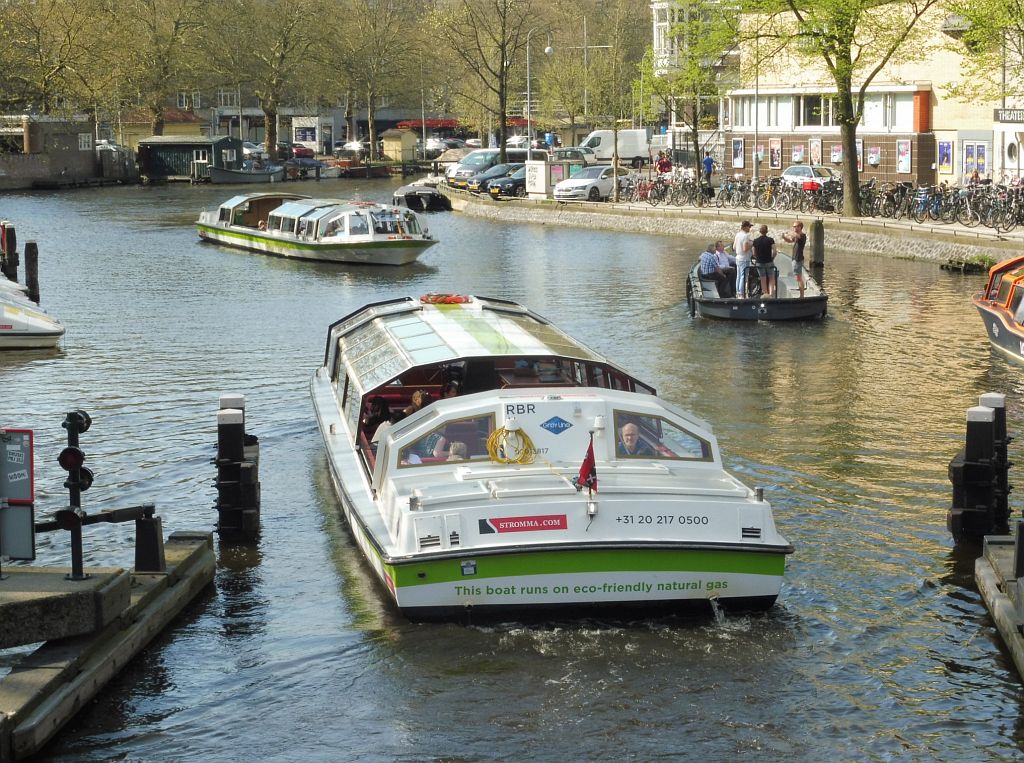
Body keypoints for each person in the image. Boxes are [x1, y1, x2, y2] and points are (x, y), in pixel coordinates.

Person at [782, 220, 807, 298]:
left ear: (800, 227)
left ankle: (802, 295)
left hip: (798, 259)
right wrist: (784, 237)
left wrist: (788, 232)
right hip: (795, 258)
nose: (794, 228)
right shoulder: (796, 236)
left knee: (798, 278)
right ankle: (801, 294)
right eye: (793, 226)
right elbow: (790, 240)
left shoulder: (802, 236)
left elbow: (796, 235)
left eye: (795, 226)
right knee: (798, 277)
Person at [752, 224, 778, 297]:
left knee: (763, 279)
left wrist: (758, 258)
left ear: (760, 231)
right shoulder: (770, 240)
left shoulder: (755, 241)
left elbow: (753, 253)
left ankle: (765, 295)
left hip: (759, 263)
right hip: (769, 262)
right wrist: (772, 258)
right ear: (767, 231)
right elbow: (775, 251)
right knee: (771, 278)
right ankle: (771, 295)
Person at [732, 220, 754, 298]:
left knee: (738, 276)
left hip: (737, 257)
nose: (750, 228)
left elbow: (734, 247)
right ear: (745, 227)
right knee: (743, 276)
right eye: (749, 227)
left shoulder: (738, 234)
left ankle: (738, 292)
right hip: (744, 258)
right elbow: (745, 249)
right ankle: (741, 293)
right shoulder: (745, 236)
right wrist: (751, 244)